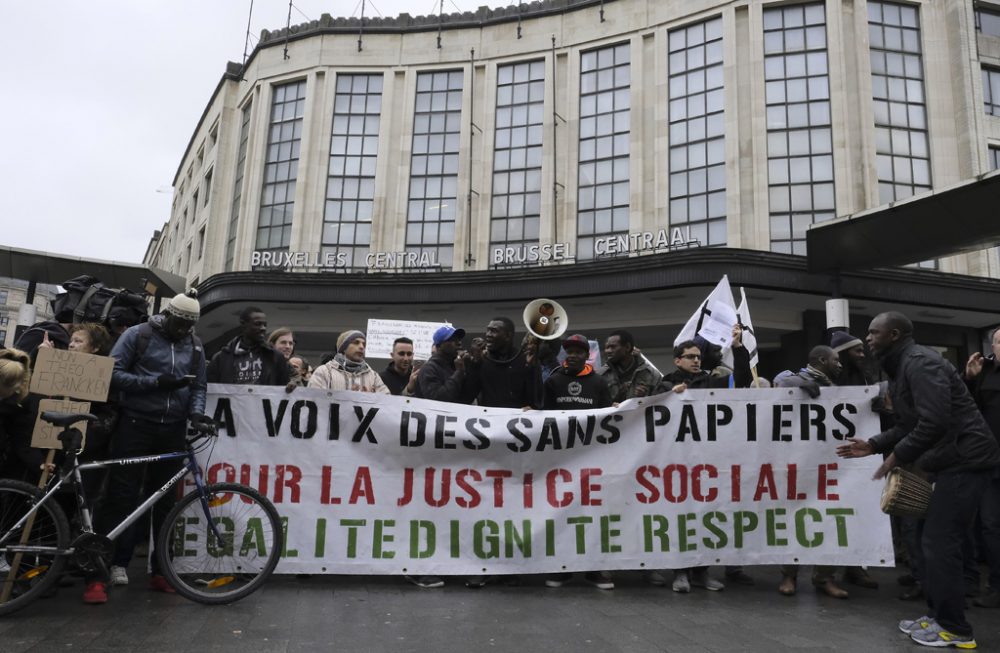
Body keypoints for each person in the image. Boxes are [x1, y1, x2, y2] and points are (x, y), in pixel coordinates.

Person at [837, 312, 1000, 649]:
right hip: (950, 460)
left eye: (873, 332)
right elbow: (909, 424)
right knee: (929, 540)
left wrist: (897, 457)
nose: (867, 338)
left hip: (967, 460)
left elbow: (935, 422)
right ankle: (938, 614)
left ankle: (955, 628)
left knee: (941, 543)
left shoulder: (921, 363)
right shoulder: (901, 366)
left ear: (894, 334)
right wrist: (873, 445)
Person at [83, 289, 212, 605]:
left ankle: (160, 571)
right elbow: (112, 374)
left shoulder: (194, 345)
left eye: (188, 326)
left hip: (172, 428)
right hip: (135, 425)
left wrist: (196, 412)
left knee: (165, 501)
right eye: (179, 324)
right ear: (168, 315)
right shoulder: (137, 335)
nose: (182, 331)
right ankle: (98, 575)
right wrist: (155, 383)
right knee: (120, 497)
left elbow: (198, 386)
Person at [654, 325, 752, 593]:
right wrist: (668, 396)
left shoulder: (711, 381)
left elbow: (742, 382)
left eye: (698, 356)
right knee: (681, 517)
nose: (696, 360)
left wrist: (739, 349)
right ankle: (681, 572)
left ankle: (701, 572)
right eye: (690, 356)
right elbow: (649, 410)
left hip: (707, 462)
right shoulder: (665, 382)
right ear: (677, 360)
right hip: (677, 461)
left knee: (704, 516)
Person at [773, 345, 850, 599]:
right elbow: (780, 383)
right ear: (820, 360)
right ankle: (789, 574)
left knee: (829, 519)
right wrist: (798, 383)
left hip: (828, 464)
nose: (839, 364)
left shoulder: (834, 385)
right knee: (794, 517)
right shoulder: (795, 379)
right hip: (798, 462)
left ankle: (824, 577)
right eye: (835, 360)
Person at [542, 334, 614, 590]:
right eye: (569, 351)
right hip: (561, 460)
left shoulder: (598, 382)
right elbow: (544, 419)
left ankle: (594, 568)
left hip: (592, 460)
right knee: (562, 514)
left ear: (587, 356)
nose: (573, 355)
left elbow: (608, 418)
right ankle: (563, 567)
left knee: (591, 514)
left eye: (578, 351)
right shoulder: (553, 381)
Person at [963, 326, 1000, 609]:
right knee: (990, 526)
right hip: (990, 463)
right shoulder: (984, 373)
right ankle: (997, 586)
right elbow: (968, 410)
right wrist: (970, 379)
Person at [466, 317, 541, 409]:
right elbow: (467, 397)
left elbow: (537, 401)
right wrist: (475, 363)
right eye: (488, 330)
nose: (488, 335)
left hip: (518, 419)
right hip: (490, 420)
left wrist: (531, 368)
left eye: (494, 331)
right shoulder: (482, 360)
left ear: (508, 336)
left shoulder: (524, 359)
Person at [208, 307, 291, 386]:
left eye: (265, 325)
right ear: (243, 324)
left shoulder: (275, 357)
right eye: (258, 324)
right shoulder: (221, 358)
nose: (263, 328)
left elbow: (284, 385)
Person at [308, 330, 389, 394]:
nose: (361, 347)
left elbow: (387, 403)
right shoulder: (324, 372)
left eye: (364, 344)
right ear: (343, 348)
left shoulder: (373, 376)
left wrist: (370, 398)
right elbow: (313, 399)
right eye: (356, 343)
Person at [599, 330, 661, 403]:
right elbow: (596, 405)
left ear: (627, 347)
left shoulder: (651, 374)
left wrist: (644, 398)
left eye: (613, 347)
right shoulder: (600, 375)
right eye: (607, 347)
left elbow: (661, 402)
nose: (608, 351)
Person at [414, 326, 470, 405]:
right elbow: (438, 400)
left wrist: (474, 365)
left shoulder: (457, 364)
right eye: (452, 340)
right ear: (439, 346)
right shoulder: (429, 369)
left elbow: (467, 397)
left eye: (459, 339)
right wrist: (458, 372)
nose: (459, 343)